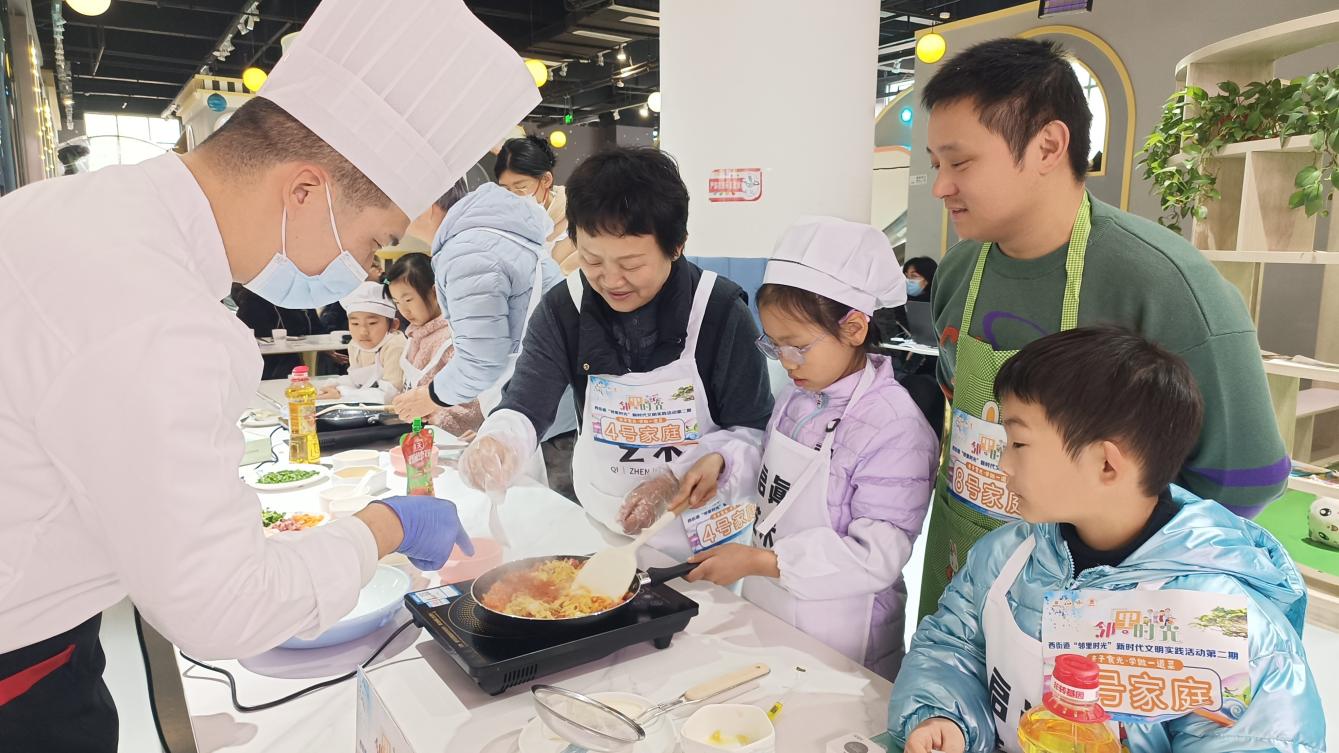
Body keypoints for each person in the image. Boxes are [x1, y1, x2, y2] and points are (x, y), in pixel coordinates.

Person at [0, 1, 537, 747]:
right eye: (374, 242)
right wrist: (387, 525)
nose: (368, 269)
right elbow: (225, 605)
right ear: (305, 191)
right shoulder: (159, 311)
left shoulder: (77, 210)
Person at [916, 38, 1288, 618]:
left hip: (1099, 608)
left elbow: (1244, 477)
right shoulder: (960, 269)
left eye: (960, 163)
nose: (941, 186)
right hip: (961, 567)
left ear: (1048, 145)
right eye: (936, 164)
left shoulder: (1165, 284)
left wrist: (1123, 575)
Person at [890, 326, 1324, 753]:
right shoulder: (1005, 556)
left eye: (1018, 442)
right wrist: (943, 716)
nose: (1002, 463)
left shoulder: (1227, 626)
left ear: (1107, 465)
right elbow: (951, 646)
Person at [654, 217, 939, 679]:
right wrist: (722, 463)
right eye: (775, 345)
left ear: (854, 328)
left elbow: (877, 555)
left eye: (798, 346)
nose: (786, 362)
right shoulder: (800, 394)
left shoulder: (894, 427)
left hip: (845, 636)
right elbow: (776, 473)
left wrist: (763, 561)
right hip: (772, 604)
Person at [457, 147, 774, 558]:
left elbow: (752, 433)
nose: (610, 280)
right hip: (603, 528)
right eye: (592, 260)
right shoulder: (564, 309)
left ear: (676, 246)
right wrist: (498, 442)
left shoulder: (720, 312)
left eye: (631, 264)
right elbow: (525, 404)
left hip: (704, 543)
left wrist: (674, 478)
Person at [391, 178, 580, 494]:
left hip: (542, 421)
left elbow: (482, 361)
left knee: (550, 516)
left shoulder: (468, 251)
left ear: (426, 203)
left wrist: (428, 396)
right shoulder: (492, 235)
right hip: (556, 410)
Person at [384, 253, 484, 437]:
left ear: (435, 292)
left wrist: (436, 415)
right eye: (397, 302)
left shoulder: (452, 339)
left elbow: (473, 406)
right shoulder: (415, 336)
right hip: (418, 434)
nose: (404, 310)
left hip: (448, 438)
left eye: (408, 300)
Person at [496, 135, 577, 274]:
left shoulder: (580, 220)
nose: (513, 197)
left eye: (521, 187)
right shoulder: (504, 226)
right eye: (506, 189)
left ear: (546, 179)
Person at [318, 281, 407, 403]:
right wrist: (335, 385)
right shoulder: (355, 346)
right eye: (355, 324)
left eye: (372, 323)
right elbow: (356, 381)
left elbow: (390, 394)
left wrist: (342, 393)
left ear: (393, 325)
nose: (363, 332)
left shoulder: (395, 346)